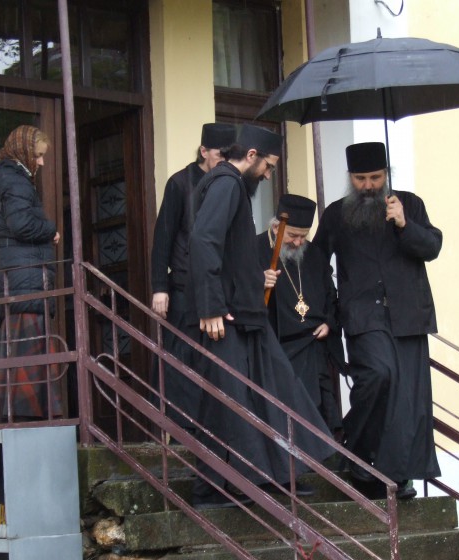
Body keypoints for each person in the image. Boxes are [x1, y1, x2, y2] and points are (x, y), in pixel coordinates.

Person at [188, 124, 333, 509]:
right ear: (251, 156)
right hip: (228, 315)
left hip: (246, 312)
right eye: (268, 166)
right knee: (231, 398)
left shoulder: (230, 185)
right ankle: (223, 485)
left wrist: (253, 279)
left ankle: (274, 475)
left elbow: (230, 253)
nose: (269, 175)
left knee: (272, 389)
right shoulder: (226, 183)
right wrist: (210, 306)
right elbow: (203, 241)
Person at [313, 141, 443, 500]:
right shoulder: (336, 214)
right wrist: (328, 312)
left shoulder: (409, 205)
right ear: (350, 178)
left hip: (408, 315)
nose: (368, 185)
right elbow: (316, 264)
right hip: (362, 315)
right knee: (379, 377)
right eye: (361, 179)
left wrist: (404, 224)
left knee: (407, 401)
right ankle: (357, 453)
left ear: (387, 174)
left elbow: (432, 247)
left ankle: (394, 476)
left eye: (375, 177)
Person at [150, 122, 237, 432]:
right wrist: (160, 287)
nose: (225, 161)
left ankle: (213, 431)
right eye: (220, 155)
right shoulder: (179, 183)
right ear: (203, 151)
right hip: (183, 289)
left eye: (229, 156)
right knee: (180, 363)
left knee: (214, 364)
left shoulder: (229, 184)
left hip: (217, 290)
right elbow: (163, 237)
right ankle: (183, 432)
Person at [0, 124, 63, 422]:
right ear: (24, 152)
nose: (41, 162)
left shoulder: (4, 179)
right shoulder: (15, 182)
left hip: (16, 275)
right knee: (29, 349)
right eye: (38, 155)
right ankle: (29, 417)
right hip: (24, 275)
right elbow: (22, 225)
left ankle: (19, 414)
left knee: (19, 351)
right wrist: (51, 229)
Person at [257, 194, 344, 432]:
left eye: (303, 237)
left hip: (313, 346)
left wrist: (329, 322)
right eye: (293, 235)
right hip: (278, 347)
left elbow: (331, 295)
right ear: (276, 228)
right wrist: (258, 282)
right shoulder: (255, 250)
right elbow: (238, 292)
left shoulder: (314, 254)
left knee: (321, 412)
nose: (298, 243)